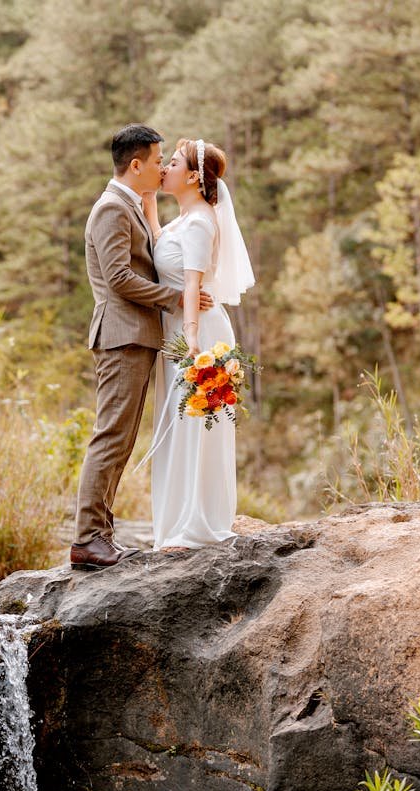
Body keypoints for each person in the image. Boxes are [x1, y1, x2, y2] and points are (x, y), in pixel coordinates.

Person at [69, 125, 214, 571]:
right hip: (120, 335)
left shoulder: (129, 205)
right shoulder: (111, 209)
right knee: (111, 437)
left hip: (133, 336)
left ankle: (99, 536)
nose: (161, 167)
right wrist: (174, 298)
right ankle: (88, 539)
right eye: (157, 160)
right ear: (136, 165)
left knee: (122, 438)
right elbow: (119, 279)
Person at [142, 138, 255, 551]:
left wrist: (190, 336)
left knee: (197, 429)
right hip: (183, 332)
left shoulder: (202, 221)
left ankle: (195, 525)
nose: (164, 168)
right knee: (179, 428)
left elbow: (191, 284)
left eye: (171, 163)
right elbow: (165, 251)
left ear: (192, 176)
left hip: (200, 336)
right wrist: (151, 209)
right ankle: (175, 522)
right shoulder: (184, 219)